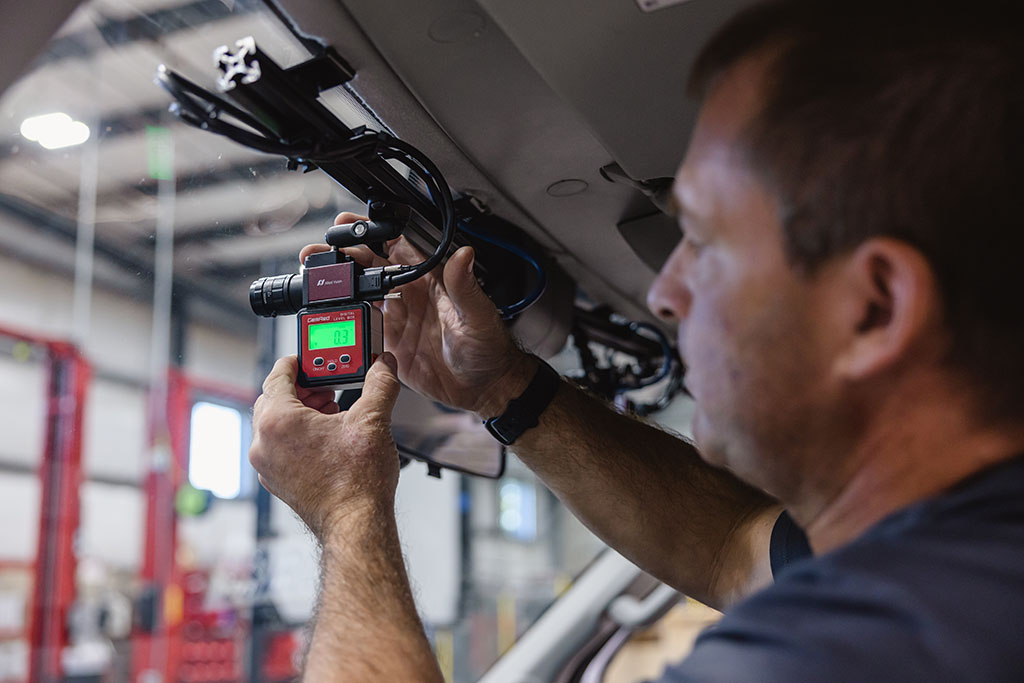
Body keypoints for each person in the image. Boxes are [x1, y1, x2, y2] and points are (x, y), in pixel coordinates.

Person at [248, 0, 1024, 680]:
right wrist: (503, 389)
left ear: (876, 306)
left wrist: (346, 511)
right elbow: (730, 545)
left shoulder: (880, 643)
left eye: (706, 240)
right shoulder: (950, 551)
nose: (665, 290)